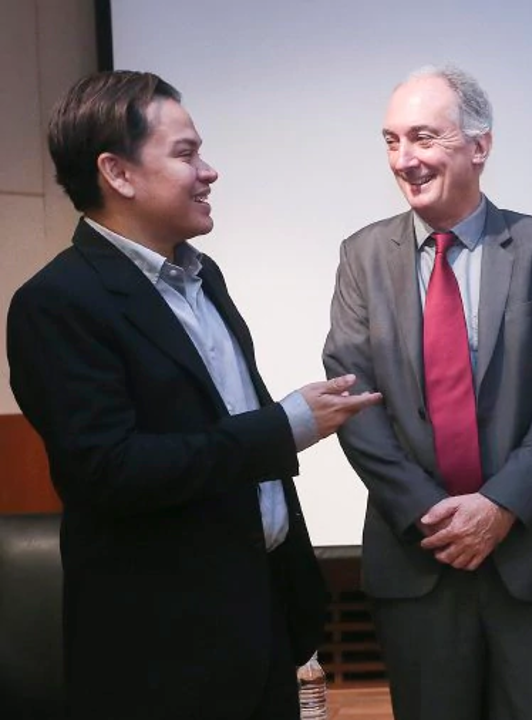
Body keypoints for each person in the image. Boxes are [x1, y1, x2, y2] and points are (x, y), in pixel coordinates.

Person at [6, 70, 381, 720]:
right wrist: (284, 427)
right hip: (162, 657)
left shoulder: (206, 279)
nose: (208, 172)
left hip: (262, 628)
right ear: (117, 173)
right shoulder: (57, 304)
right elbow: (109, 471)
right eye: (185, 154)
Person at [322, 65, 532, 720]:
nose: (404, 159)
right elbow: (353, 397)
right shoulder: (362, 257)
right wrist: (433, 514)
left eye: (422, 137)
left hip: (530, 561)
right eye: (391, 141)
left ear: (480, 145)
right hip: (418, 561)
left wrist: (498, 507)